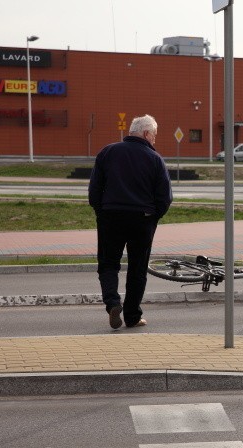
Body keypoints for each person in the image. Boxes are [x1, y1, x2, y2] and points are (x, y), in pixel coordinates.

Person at [88, 114, 172, 330]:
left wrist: (101, 212)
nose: (155, 139)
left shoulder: (107, 152)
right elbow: (164, 197)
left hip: (111, 216)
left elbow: (95, 189)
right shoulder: (155, 159)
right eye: (154, 135)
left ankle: (113, 303)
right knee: (137, 268)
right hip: (142, 220)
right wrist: (153, 218)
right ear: (146, 134)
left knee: (108, 264)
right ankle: (133, 316)